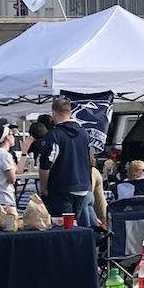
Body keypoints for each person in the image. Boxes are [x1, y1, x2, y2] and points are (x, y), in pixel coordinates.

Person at [38, 97, 95, 227]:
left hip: (62, 187)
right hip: (82, 187)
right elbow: (89, 159)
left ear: (53, 114)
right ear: (70, 112)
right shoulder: (84, 133)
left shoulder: (54, 135)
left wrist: (43, 188)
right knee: (74, 225)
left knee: (61, 227)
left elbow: (46, 164)